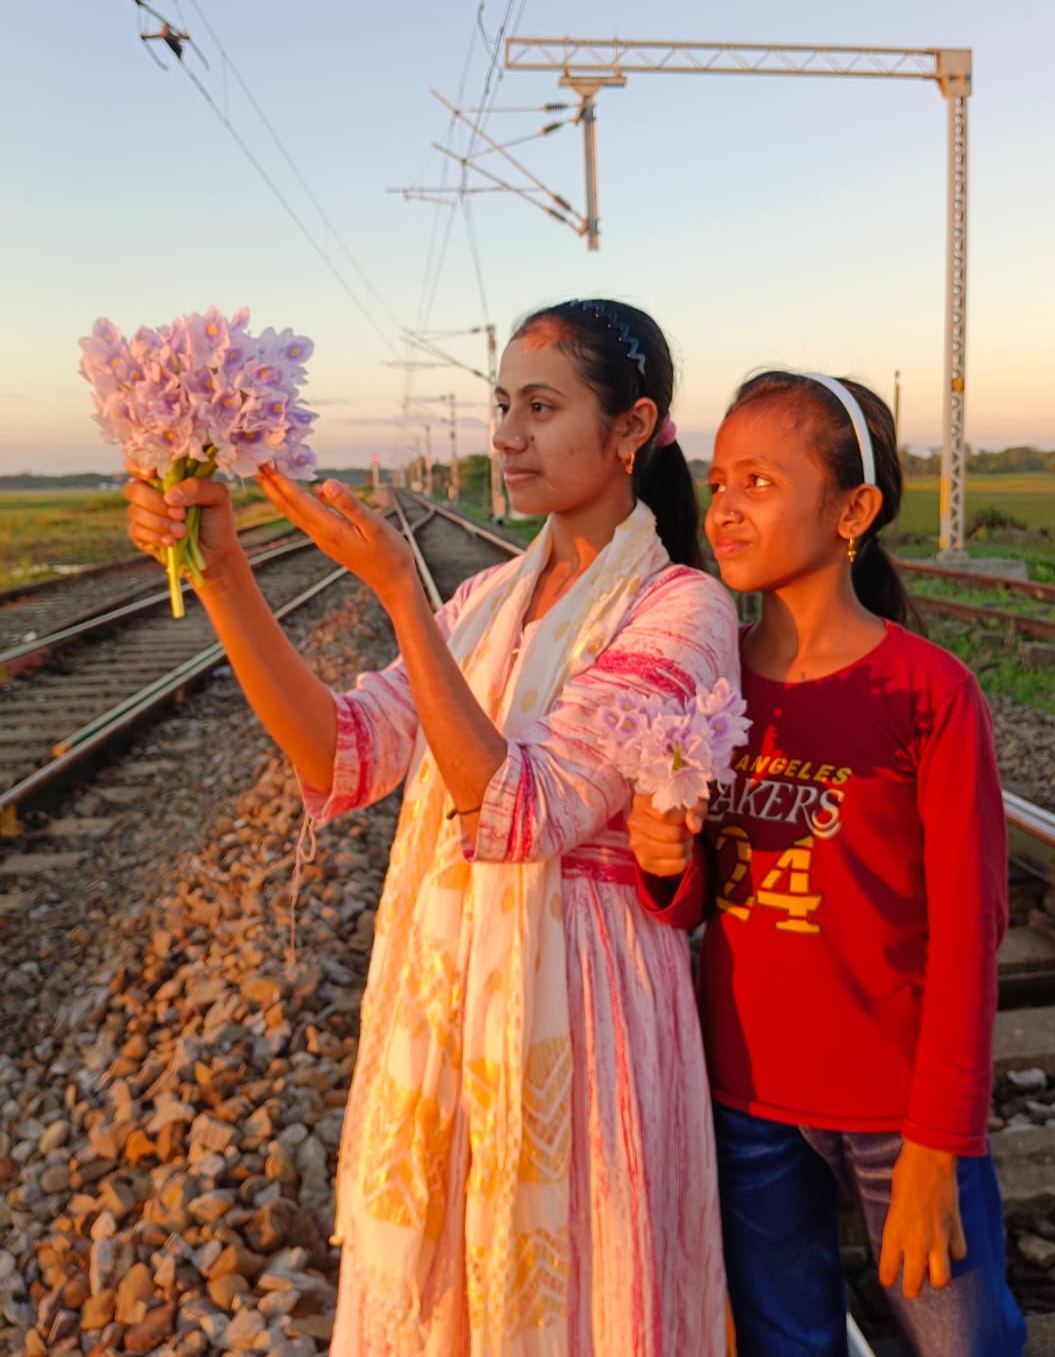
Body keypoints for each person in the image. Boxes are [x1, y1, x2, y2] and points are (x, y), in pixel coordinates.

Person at [123, 299, 739, 1357]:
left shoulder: (681, 611)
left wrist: (404, 596)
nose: (506, 434)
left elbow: (522, 810)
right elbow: (342, 753)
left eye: (541, 408)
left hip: (585, 1029)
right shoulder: (489, 601)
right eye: (503, 405)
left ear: (633, 428)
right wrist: (221, 570)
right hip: (447, 1009)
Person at [628, 370, 1026, 1357]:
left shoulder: (927, 693)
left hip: (900, 1113)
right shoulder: (709, 684)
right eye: (718, 482)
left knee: (963, 1341)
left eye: (759, 482)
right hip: (748, 1099)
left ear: (853, 509)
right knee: (785, 1342)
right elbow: (699, 902)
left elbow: (972, 934)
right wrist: (663, 862)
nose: (724, 509)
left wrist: (942, 1143)